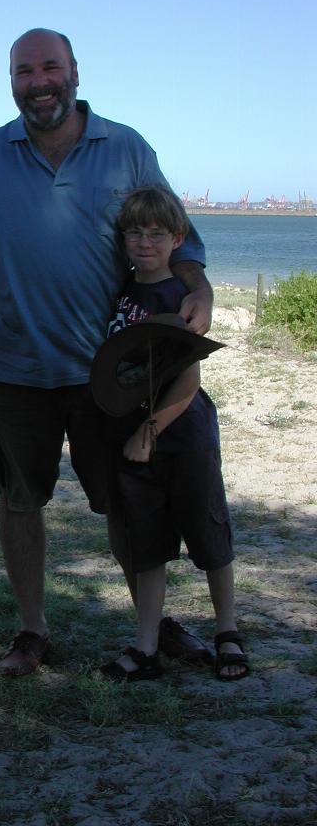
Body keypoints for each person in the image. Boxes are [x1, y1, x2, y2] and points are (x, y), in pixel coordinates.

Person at [0, 27, 215, 677]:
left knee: (126, 501)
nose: (40, 82)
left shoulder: (125, 148)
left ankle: (153, 623)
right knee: (19, 499)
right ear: (12, 81)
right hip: (15, 369)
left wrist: (198, 290)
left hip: (109, 371)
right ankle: (32, 630)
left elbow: (182, 239)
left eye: (50, 67)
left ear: (76, 73)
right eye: (25, 71)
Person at [97, 187, 249, 683]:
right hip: (130, 435)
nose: (144, 242)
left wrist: (151, 428)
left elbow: (188, 377)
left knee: (208, 534)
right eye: (135, 233)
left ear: (177, 238)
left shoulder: (180, 298)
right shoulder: (121, 289)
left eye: (157, 234)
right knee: (146, 542)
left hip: (183, 434)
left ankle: (227, 631)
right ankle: (146, 646)